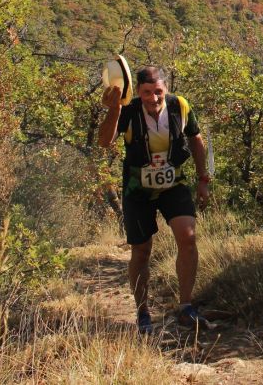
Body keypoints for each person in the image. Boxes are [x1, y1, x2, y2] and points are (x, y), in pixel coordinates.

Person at [98, 65, 211, 334]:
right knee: (141, 250)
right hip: (138, 189)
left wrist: (203, 179)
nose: (153, 98)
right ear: (137, 91)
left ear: (166, 89)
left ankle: (186, 307)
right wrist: (114, 108)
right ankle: (143, 313)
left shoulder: (180, 106)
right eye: (147, 92)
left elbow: (195, 139)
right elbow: (104, 141)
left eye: (158, 91)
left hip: (174, 184)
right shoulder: (128, 110)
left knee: (188, 237)